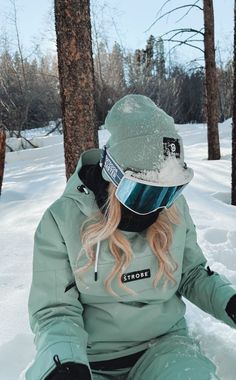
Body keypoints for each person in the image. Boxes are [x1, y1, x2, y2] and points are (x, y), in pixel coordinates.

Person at [26, 95, 236, 380]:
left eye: (169, 191)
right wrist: (65, 363)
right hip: (90, 359)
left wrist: (230, 301)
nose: (158, 205)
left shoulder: (172, 211)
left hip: (165, 347)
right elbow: (54, 310)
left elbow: (192, 273)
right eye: (145, 192)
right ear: (113, 176)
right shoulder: (62, 221)